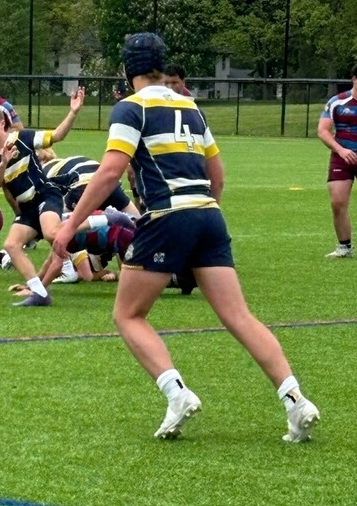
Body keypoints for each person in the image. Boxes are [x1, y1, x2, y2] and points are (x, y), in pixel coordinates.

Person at [52, 33, 320, 442]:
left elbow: (110, 171)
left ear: (127, 70)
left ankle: (176, 393)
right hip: (209, 215)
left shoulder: (130, 107)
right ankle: (296, 399)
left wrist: (70, 226)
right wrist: (202, 215)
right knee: (239, 316)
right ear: (163, 66)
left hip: (167, 216)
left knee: (128, 315)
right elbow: (218, 176)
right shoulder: (191, 107)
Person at [0, 87, 85, 306]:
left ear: (2, 124)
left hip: (46, 194)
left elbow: (57, 136)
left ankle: (106, 219)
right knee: (11, 245)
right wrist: (4, 162)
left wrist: (73, 112)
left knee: (51, 233)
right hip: (27, 207)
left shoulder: (23, 137)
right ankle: (39, 294)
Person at [317, 63, 357, 258]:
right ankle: (344, 247)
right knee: (337, 202)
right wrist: (341, 150)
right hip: (343, 157)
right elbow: (323, 131)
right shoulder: (338, 101)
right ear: (354, 79)